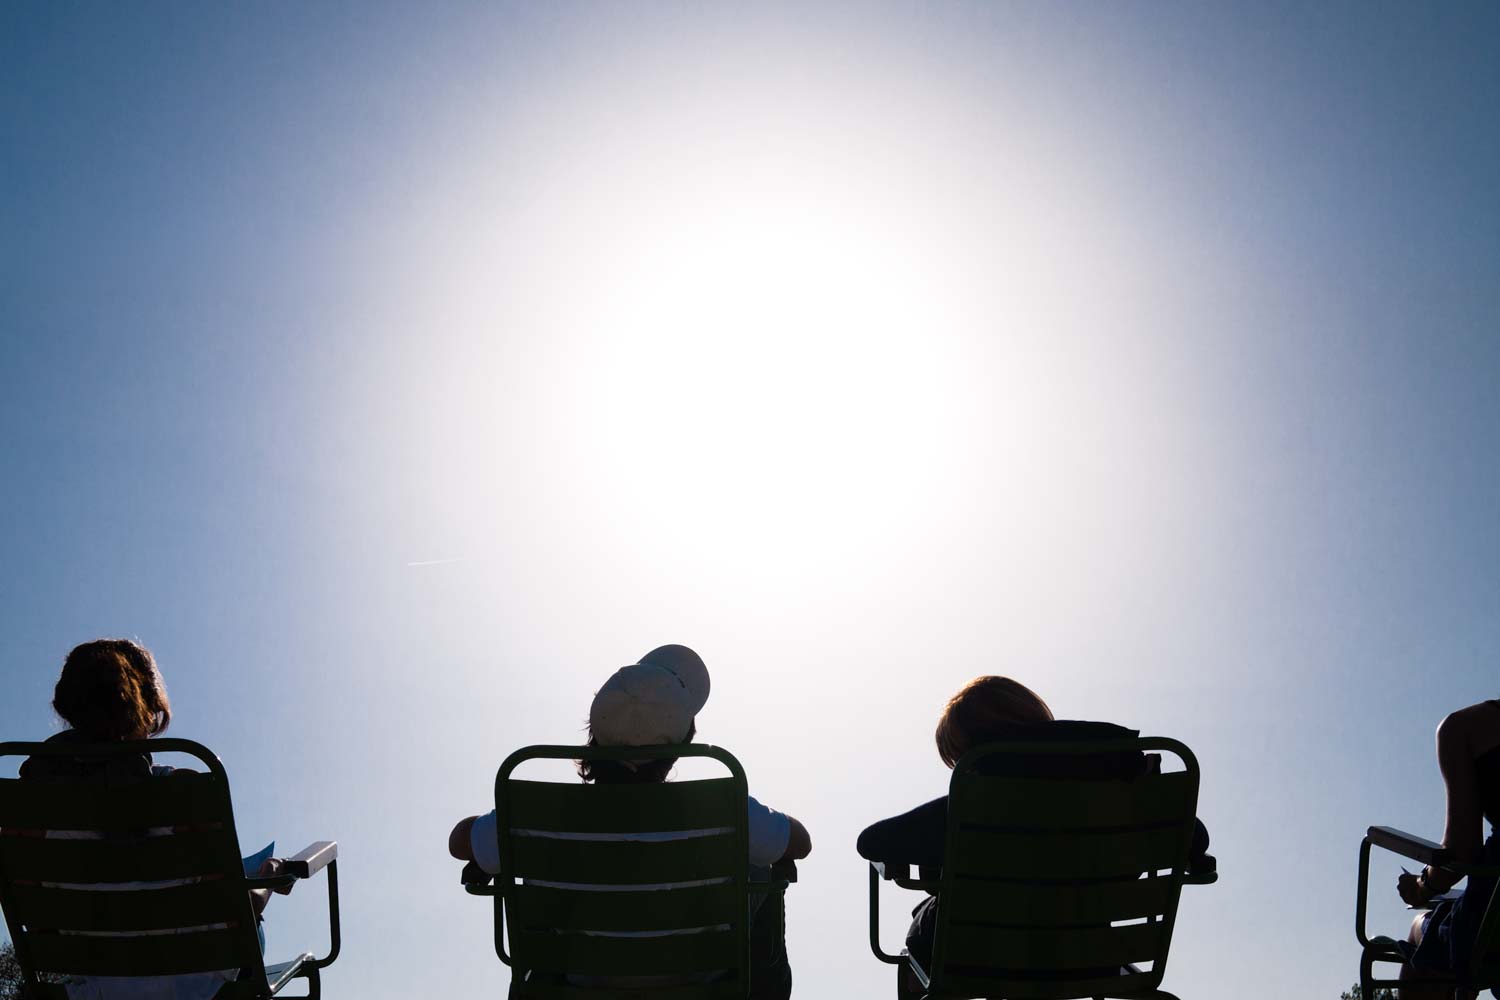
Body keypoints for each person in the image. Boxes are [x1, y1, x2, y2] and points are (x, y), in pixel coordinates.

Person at [449, 644, 811, 998]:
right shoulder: (724, 808)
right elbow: (800, 843)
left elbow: (459, 842)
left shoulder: (533, 813)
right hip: (706, 986)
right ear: (684, 741)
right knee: (764, 870)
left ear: (593, 731)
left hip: (581, 985)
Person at [856, 676, 1213, 996]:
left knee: (925, 938)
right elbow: (1194, 839)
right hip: (1087, 951)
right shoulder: (1129, 793)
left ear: (970, 753)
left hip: (980, 952)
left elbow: (871, 842)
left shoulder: (972, 808)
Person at [13, 639, 293, 1000]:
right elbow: (241, 909)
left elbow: (40, 923)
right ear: (149, 708)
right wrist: (270, 873)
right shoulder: (186, 793)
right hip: (200, 991)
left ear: (68, 707)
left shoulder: (28, 810)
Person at [1394, 698, 1500, 1000]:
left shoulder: (1463, 729)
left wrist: (1421, 886)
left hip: (1492, 926)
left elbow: (1460, 852)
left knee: (1420, 934)